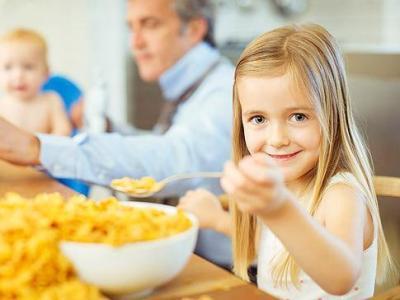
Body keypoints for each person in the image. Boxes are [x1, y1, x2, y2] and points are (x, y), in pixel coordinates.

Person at [0, 0, 234, 269]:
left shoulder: (223, 91)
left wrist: (38, 147)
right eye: (130, 28)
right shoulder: (190, 86)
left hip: (224, 268)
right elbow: (162, 144)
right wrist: (109, 127)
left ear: (193, 29)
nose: (135, 42)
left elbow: (178, 159)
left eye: (149, 24)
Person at [179, 24, 398, 298]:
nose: (277, 138)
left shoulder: (341, 195)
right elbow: (278, 247)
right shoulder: (286, 183)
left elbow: (340, 276)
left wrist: (278, 209)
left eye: (298, 117)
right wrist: (218, 220)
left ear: (332, 115)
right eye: (259, 119)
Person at [0, 28, 72, 136]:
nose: (18, 75)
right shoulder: (2, 105)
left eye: (28, 67)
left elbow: (64, 131)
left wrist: (48, 146)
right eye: (8, 67)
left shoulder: (51, 101)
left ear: (46, 73)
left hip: (44, 152)